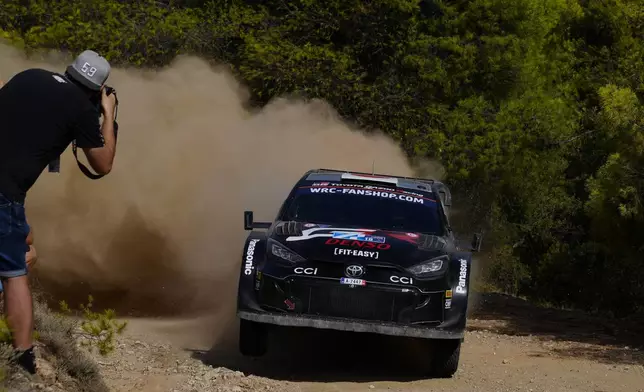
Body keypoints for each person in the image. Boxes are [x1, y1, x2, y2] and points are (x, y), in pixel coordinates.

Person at [0, 50, 118, 374]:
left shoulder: (30, 76)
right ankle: (22, 360)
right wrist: (108, 116)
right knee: (14, 274)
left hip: (7, 200)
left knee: (27, 239)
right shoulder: (81, 109)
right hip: (3, 195)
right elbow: (103, 163)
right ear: (96, 90)